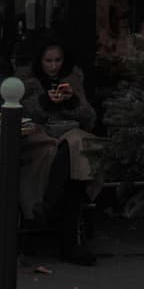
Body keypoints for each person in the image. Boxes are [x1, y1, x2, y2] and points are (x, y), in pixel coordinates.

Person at [20, 34, 98, 263]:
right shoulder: (28, 82)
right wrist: (45, 101)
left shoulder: (73, 80)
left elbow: (90, 118)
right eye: (48, 61)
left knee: (74, 149)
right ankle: (69, 242)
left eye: (58, 60)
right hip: (41, 141)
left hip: (69, 139)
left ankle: (48, 206)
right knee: (68, 161)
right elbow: (25, 114)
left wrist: (72, 101)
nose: (54, 66)